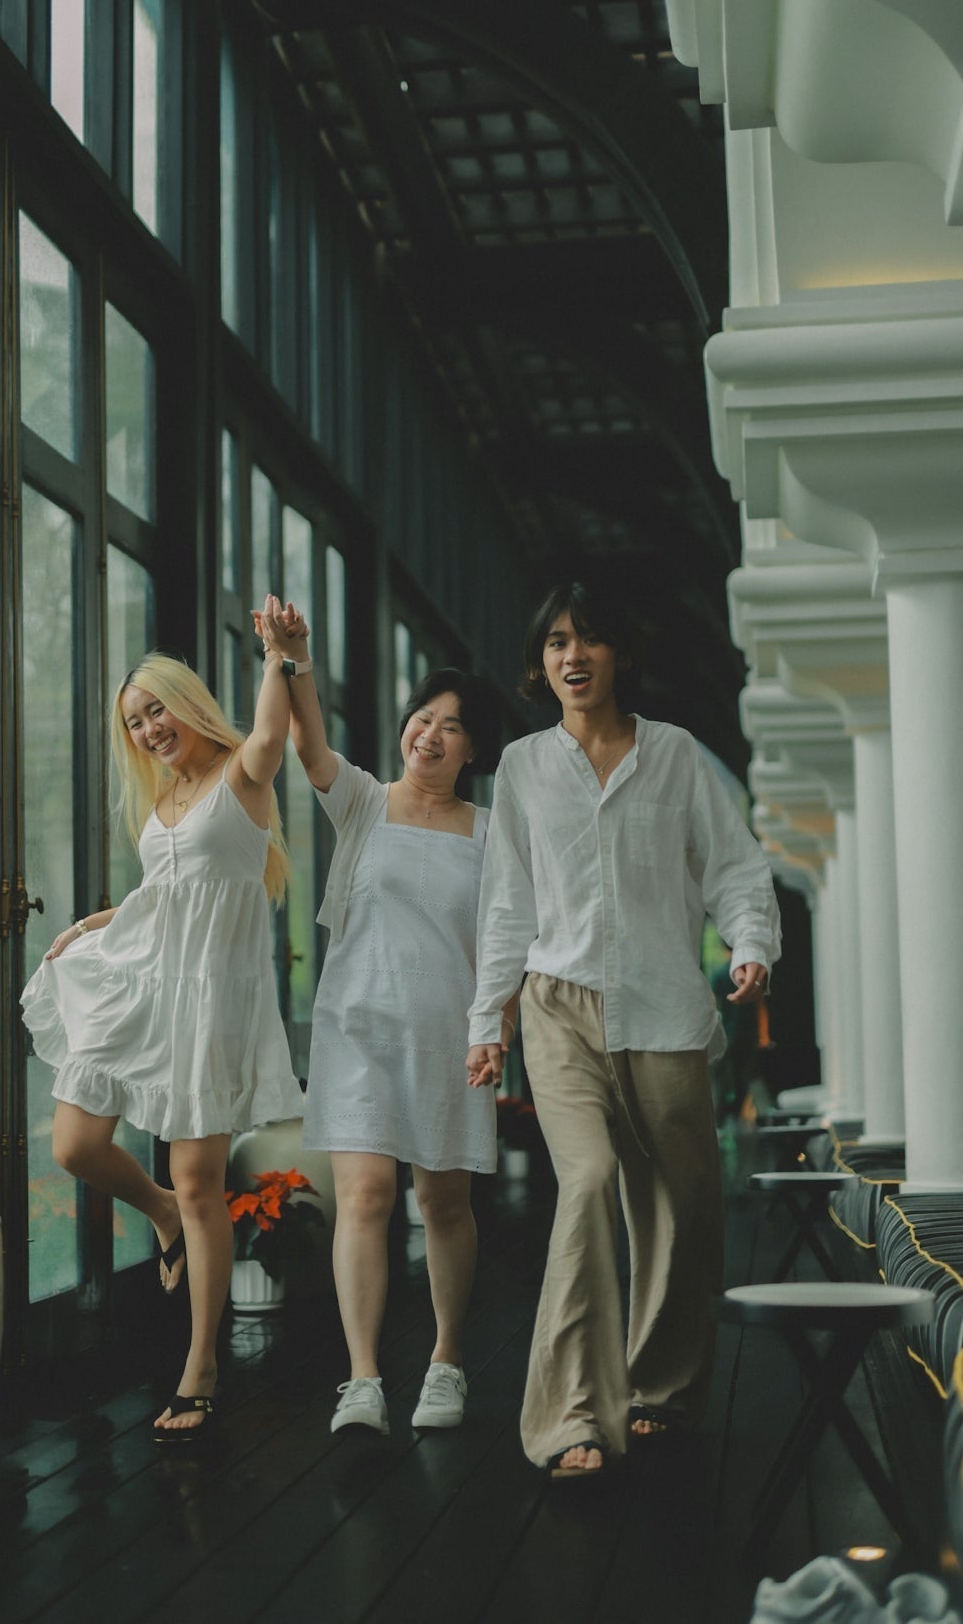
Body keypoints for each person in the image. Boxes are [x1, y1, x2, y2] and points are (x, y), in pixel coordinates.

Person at [465, 577, 780, 1480]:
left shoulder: (675, 754)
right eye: (558, 640)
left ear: (620, 654)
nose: (574, 655)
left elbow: (733, 865)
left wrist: (750, 943)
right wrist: (488, 1017)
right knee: (590, 1179)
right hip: (558, 1005)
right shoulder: (523, 767)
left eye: (591, 638)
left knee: (678, 1207)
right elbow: (506, 904)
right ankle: (569, 1413)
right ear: (541, 662)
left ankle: (661, 1391)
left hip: (664, 1006)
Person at [19, 613, 304, 1439]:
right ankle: (162, 1212)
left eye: (156, 710)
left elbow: (271, 732)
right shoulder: (163, 795)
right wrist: (91, 922)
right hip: (145, 981)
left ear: (188, 703)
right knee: (75, 1143)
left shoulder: (242, 775)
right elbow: (167, 897)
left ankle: (200, 1366)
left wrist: (280, 657)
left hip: (212, 999)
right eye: (136, 722)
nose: (148, 730)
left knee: (200, 1179)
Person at [256, 598, 513, 1438]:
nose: (429, 735)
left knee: (443, 1201)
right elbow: (308, 746)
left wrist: (497, 1023)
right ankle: (363, 1377)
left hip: (449, 1035)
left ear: (473, 749)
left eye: (451, 726)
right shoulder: (364, 801)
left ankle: (445, 1360)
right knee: (364, 1195)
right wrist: (292, 657)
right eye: (422, 717)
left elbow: (508, 938)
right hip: (358, 1026)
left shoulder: (490, 833)